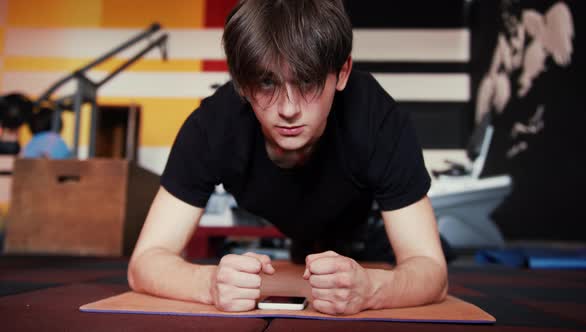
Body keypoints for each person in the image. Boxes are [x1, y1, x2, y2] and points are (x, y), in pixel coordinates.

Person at [128, 0, 447, 315]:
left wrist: (371, 289)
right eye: (267, 82)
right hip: (295, 230)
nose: (289, 110)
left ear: (343, 73)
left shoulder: (377, 120)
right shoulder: (213, 126)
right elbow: (145, 261)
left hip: (363, 229)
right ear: (241, 83)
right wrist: (208, 282)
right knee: (304, 257)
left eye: (308, 80)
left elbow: (432, 271)